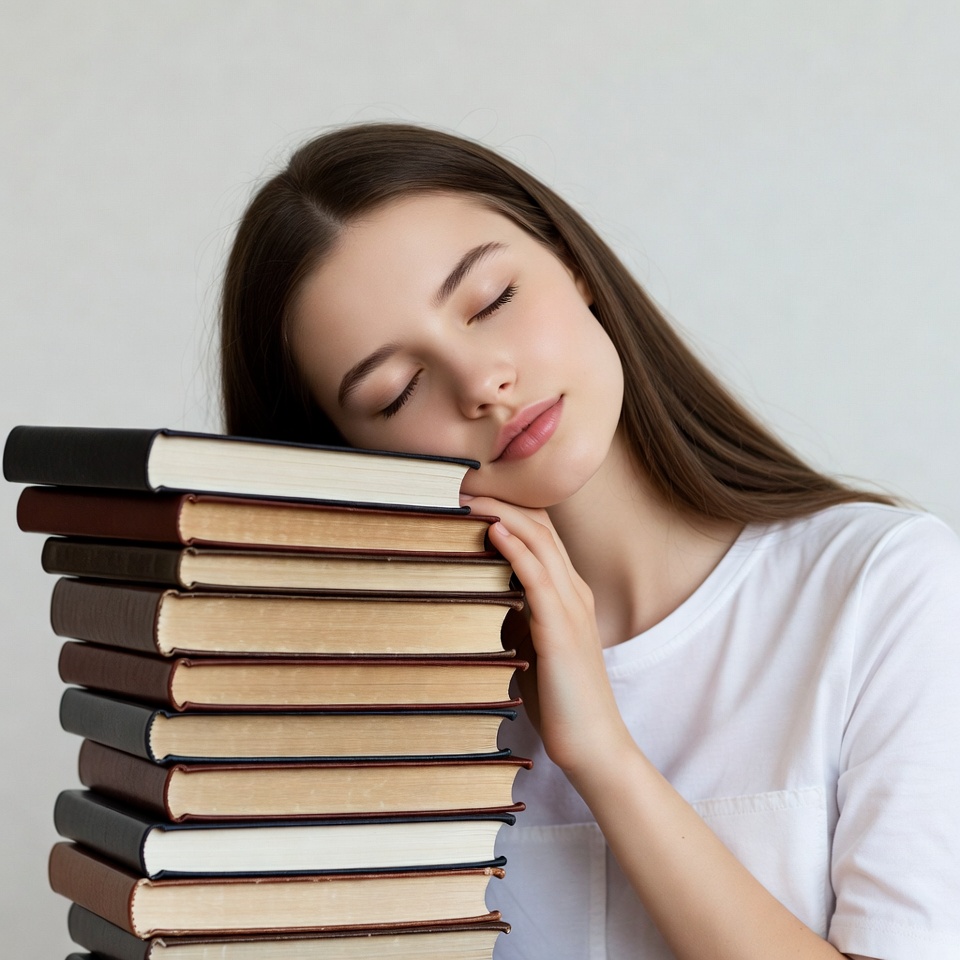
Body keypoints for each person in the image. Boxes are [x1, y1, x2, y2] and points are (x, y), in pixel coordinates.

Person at [219, 122, 960, 959]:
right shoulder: (363, 703)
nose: (483, 384)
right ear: (346, 456)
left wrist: (602, 756)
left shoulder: (882, 588)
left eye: (492, 301)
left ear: (571, 263)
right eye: (398, 391)